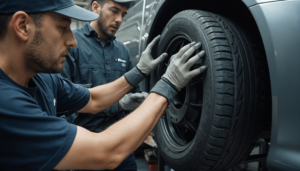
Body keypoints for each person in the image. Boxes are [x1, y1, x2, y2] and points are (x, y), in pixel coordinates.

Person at [0, 0, 207, 171]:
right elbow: (105, 151)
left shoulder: (43, 79)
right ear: (22, 26)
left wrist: (139, 72)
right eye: (63, 27)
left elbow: (93, 99)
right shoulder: (6, 103)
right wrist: (167, 86)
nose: (72, 41)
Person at [59, 1, 143, 170]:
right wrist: (117, 105)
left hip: (120, 147)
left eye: (123, 14)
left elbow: (133, 95)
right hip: (85, 148)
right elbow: (64, 100)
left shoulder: (122, 51)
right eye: (114, 11)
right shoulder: (72, 44)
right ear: (96, 7)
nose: (119, 19)